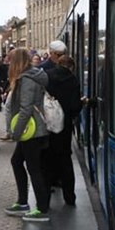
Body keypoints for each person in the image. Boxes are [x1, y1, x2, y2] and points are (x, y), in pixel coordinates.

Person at [4, 48, 51, 222]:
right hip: (32, 130)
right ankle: (23, 202)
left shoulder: (27, 79)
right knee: (17, 161)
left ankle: (42, 209)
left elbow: (25, 109)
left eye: (10, 60)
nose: (8, 63)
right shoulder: (32, 76)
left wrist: (15, 133)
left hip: (32, 131)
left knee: (33, 168)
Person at [43, 54, 83, 206]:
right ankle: (69, 197)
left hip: (48, 125)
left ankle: (45, 200)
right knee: (65, 161)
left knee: (47, 162)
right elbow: (74, 107)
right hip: (64, 126)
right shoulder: (73, 80)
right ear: (71, 67)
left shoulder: (47, 76)